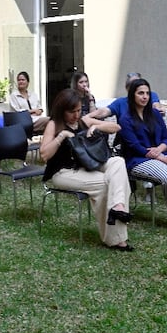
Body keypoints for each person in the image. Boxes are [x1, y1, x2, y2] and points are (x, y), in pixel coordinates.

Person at [41, 88, 133, 251]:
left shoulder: (83, 121)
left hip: (88, 164)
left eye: (78, 110)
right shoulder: (53, 124)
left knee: (118, 162)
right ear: (62, 110)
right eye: (72, 111)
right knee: (106, 183)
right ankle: (118, 240)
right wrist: (61, 136)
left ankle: (118, 206)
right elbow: (44, 155)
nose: (76, 115)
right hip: (63, 172)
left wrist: (97, 128)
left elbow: (116, 127)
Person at [119, 78, 167, 237]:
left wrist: (160, 151)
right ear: (132, 95)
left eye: (147, 93)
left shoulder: (154, 114)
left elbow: (166, 138)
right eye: (140, 93)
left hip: (161, 154)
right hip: (138, 159)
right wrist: (161, 157)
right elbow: (135, 147)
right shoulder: (125, 119)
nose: (145, 97)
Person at [88, 72, 163, 121]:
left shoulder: (150, 96)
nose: (145, 96)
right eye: (134, 85)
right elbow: (105, 111)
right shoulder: (121, 102)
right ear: (128, 89)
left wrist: (158, 109)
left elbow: (156, 106)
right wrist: (88, 117)